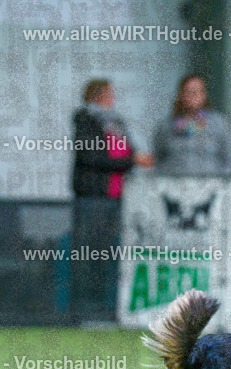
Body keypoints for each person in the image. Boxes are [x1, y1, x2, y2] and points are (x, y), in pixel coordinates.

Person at [72, 78, 145, 318]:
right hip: (93, 196)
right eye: (107, 94)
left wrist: (133, 159)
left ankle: (108, 307)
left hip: (117, 197)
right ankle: (84, 309)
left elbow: (129, 149)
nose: (112, 98)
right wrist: (130, 161)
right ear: (96, 96)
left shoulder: (117, 122)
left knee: (111, 254)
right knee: (88, 253)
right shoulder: (85, 120)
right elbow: (92, 158)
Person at [152, 74, 231, 177]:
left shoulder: (218, 124)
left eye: (198, 91)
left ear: (204, 95)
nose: (194, 95)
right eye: (189, 91)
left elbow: (229, 158)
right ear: (181, 95)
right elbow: (158, 157)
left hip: (210, 186)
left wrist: (221, 183)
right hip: (175, 187)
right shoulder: (167, 125)